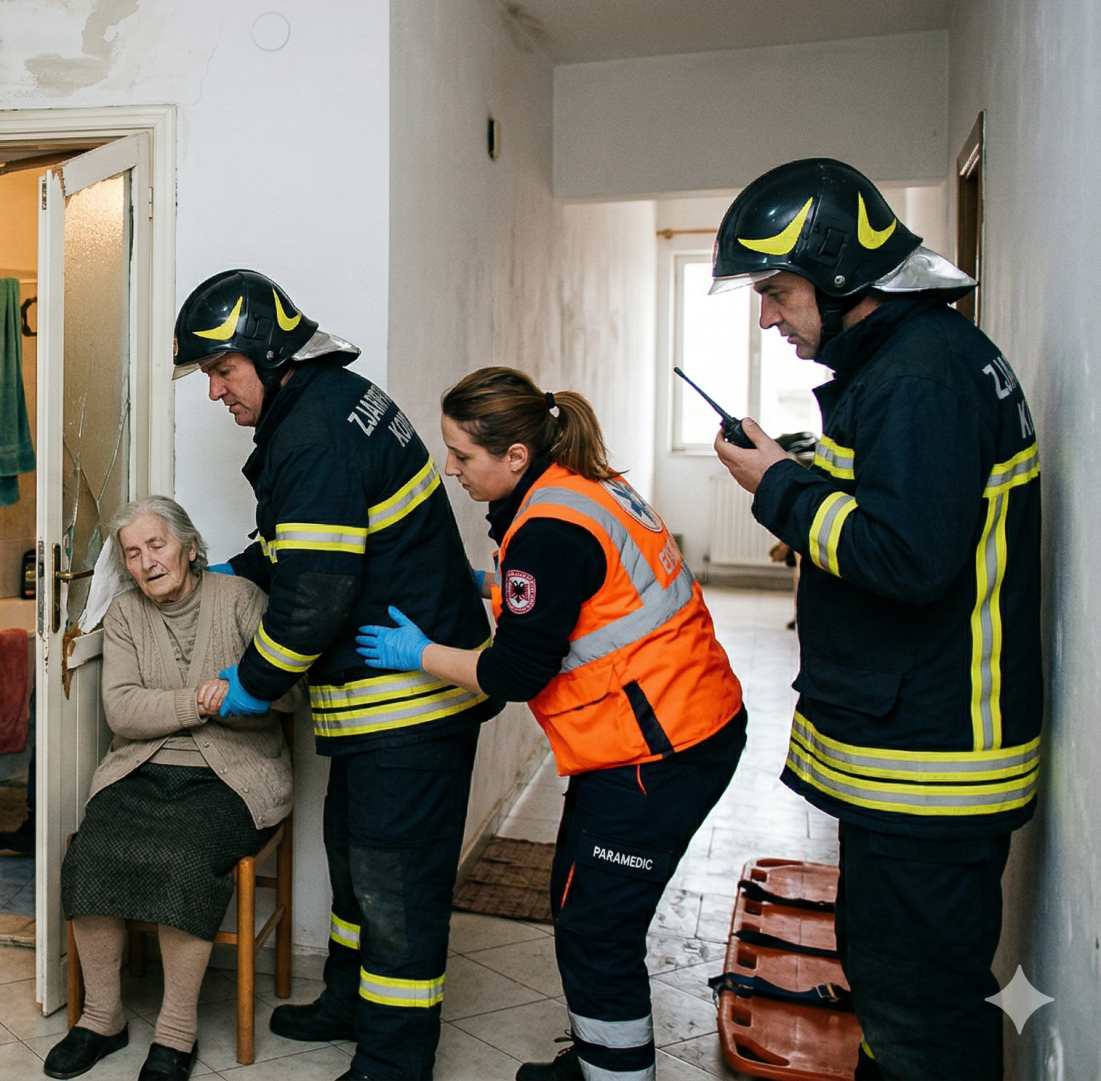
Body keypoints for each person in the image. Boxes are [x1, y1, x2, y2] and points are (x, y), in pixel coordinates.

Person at [707, 159, 1038, 1080]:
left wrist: (778, 487)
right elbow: (899, 498)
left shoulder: (919, 377)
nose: (768, 317)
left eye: (776, 291)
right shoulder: (917, 358)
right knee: (898, 991)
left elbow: (907, 557)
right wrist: (804, 470)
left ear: (841, 275)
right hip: (920, 749)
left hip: (932, 759)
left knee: (919, 1013)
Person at [358, 367, 748, 1081]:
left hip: (660, 752)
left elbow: (513, 674)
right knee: (576, 896)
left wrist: (417, 654)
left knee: (598, 927)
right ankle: (603, 1055)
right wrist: (480, 583)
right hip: (673, 726)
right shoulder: (577, 484)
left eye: (463, 455)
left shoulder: (550, 528)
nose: (451, 469)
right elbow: (567, 598)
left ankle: (617, 1076)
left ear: (513, 457)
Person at [173, 270, 498, 1081]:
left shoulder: (312, 434)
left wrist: (251, 681)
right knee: (357, 860)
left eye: (221, 370)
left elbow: (315, 597)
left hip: (410, 709)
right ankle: (350, 1000)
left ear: (265, 354)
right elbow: (304, 544)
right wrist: (225, 571)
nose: (214, 391)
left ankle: (394, 1059)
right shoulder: (328, 402)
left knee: (396, 890)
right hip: (379, 709)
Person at [44, 497, 298, 1081]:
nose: (145, 562)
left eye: (156, 546)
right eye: (132, 553)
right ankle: (102, 1019)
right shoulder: (128, 614)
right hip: (141, 766)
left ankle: (177, 1031)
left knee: (184, 859)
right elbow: (124, 712)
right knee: (90, 854)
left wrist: (239, 693)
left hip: (233, 774)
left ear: (188, 546)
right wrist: (197, 702)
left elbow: (288, 694)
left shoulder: (241, 600)